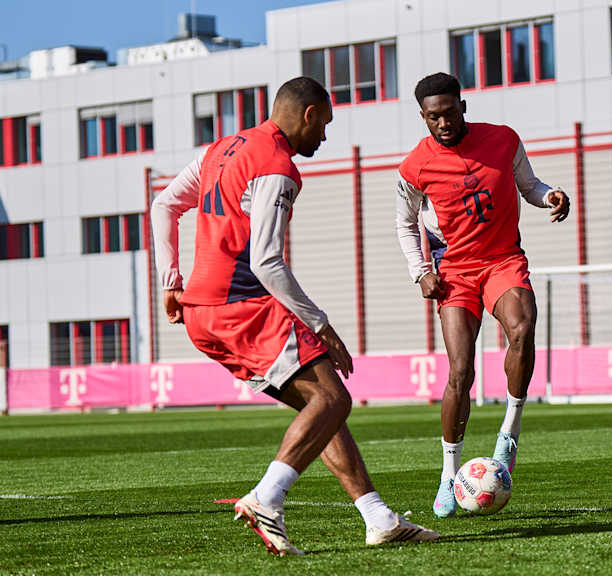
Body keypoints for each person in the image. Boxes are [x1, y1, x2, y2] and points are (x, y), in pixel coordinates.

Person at [151, 77, 439, 556]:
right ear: (308, 115)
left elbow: (164, 204)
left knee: (321, 407)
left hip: (202, 313)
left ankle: (377, 517)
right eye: (323, 125)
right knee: (333, 398)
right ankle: (267, 498)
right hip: (239, 306)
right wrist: (322, 326)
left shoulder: (219, 150)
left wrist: (170, 280)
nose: (323, 138)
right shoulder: (276, 165)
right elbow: (266, 262)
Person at [395, 73, 571, 518]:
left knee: (523, 329)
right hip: (454, 270)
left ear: (463, 106)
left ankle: (508, 435)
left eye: (449, 113)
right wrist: (421, 273)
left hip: (503, 261)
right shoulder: (414, 166)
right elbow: (406, 222)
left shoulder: (504, 140)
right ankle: (448, 472)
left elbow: (527, 185)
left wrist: (549, 194)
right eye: (433, 117)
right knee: (460, 371)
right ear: (423, 118)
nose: (443, 123)